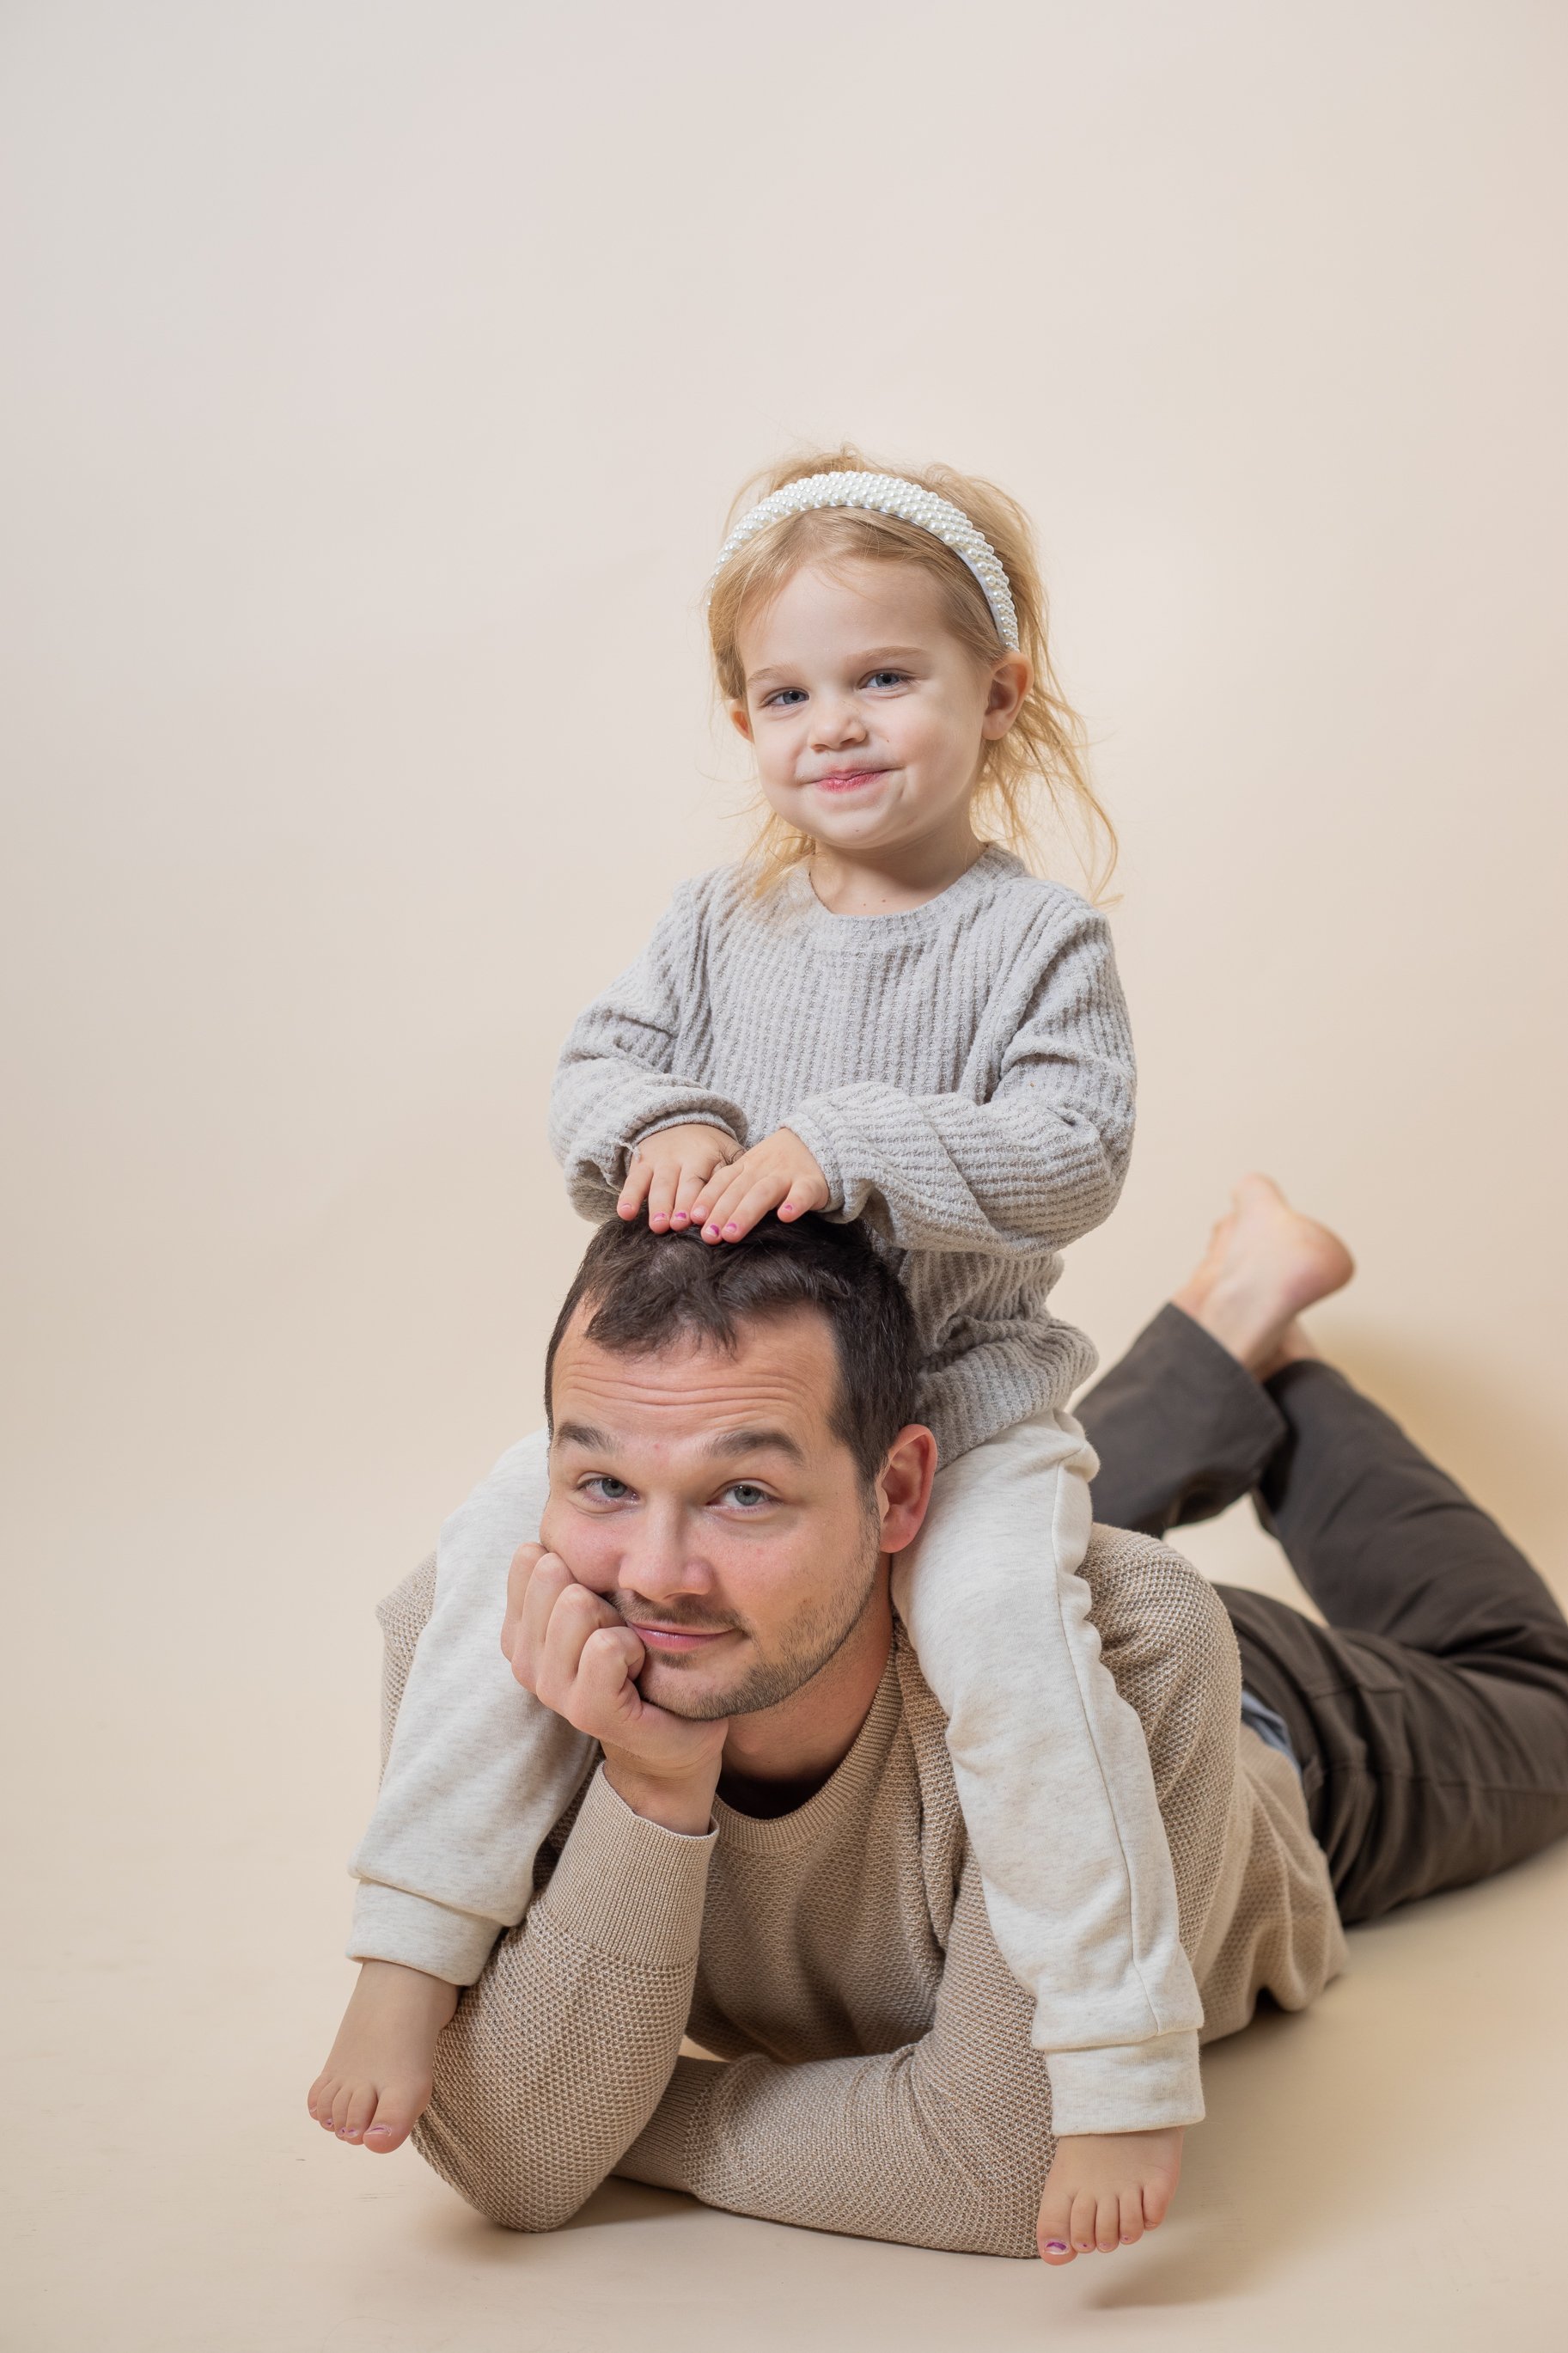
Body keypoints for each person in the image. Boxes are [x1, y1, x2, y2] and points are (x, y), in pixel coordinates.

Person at [315, 449, 1205, 2236]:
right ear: (742, 715)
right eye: (787, 694)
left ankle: (1112, 2057)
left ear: (995, 691)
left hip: (955, 1401)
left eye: (885, 678)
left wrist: (856, 1141)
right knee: (489, 1557)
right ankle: (411, 1939)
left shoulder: (1035, 938)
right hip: (737, 1422)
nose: (836, 727)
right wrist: (659, 1123)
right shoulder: (719, 921)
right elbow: (603, 1066)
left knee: (1007, 1646)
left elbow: (1077, 1150)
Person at [308, 1182, 1568, 2264]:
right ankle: (1213, 1334)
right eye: (602, 1482)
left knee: (1543, 1704)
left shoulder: (1132, 1653)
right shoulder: (487, 1640)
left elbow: (993, 2163)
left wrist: (578, 2101)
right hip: (890, 1606)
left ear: (905, 1489)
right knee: (875, 1566)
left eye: (741, 1490)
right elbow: (519, 2177)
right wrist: (652, 1775)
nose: (653, 1574)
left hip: (1233, 1731)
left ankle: (1268, 1373)